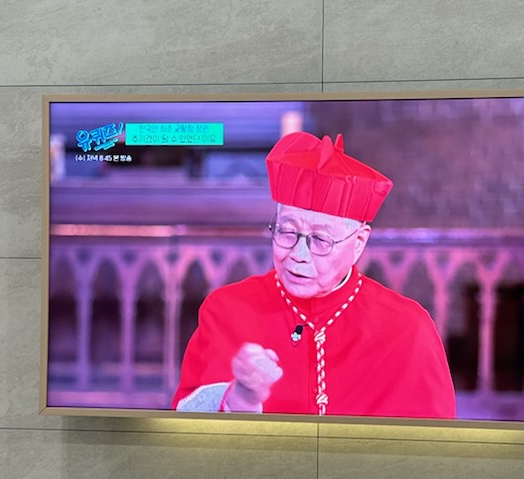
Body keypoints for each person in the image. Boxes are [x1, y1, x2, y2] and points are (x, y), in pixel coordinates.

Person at [174, 132, 457, 419]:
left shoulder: (408, 329)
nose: (298, 254)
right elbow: (188, 429)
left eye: (321, 240)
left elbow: (432, 441)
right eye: (287, 231)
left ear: (359, 242)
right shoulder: (228, 310)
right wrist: (241, 398)